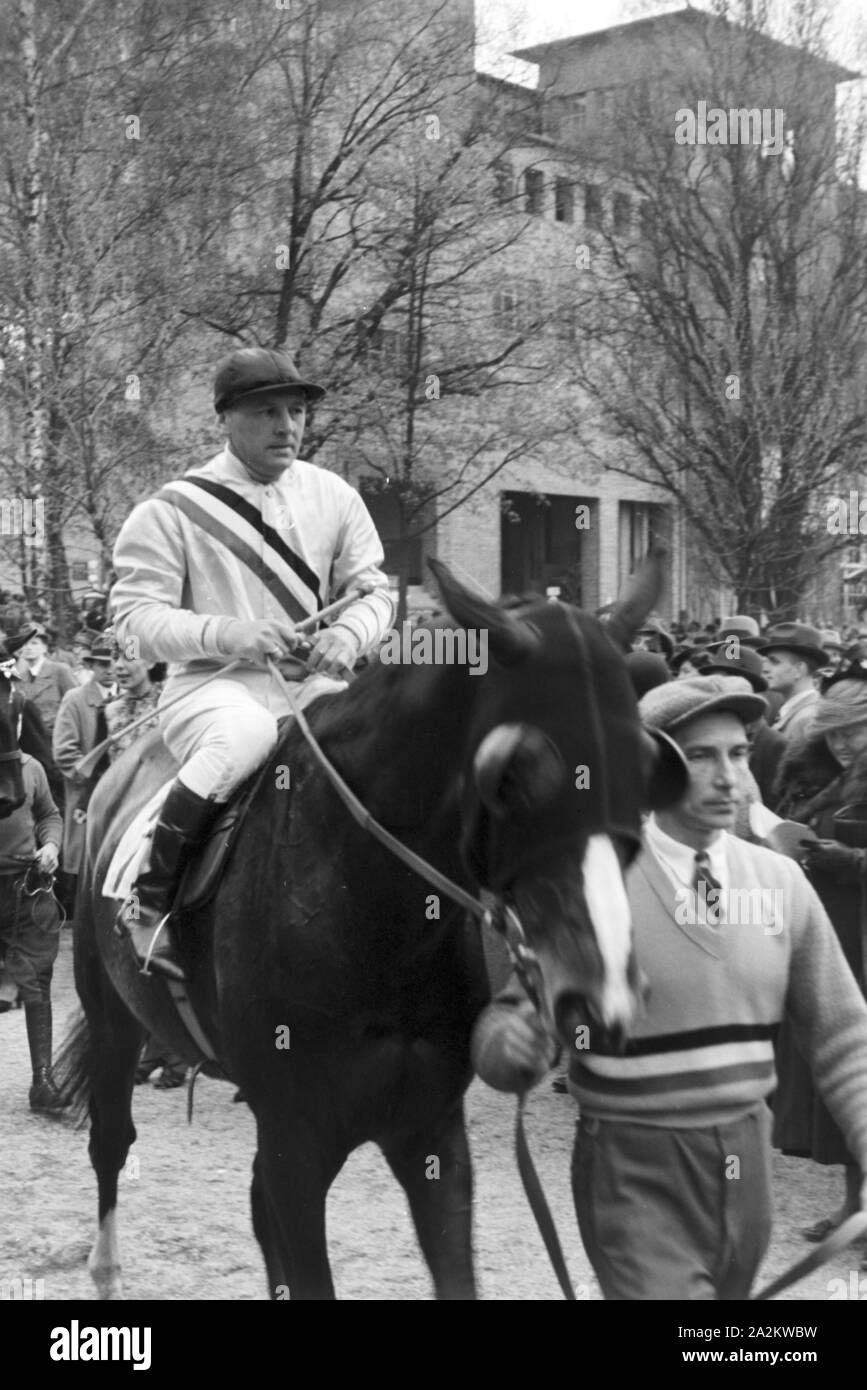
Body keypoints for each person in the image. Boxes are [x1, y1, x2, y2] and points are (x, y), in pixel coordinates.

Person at [471, 675, 867, 1300]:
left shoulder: (781, 881)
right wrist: (513, 1047)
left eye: (738, 752)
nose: (729, 776)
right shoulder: (594, 885)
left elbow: (844, 1032)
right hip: (631, 1164)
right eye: (701, 756)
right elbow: (510, 1024)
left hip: (746, 1162)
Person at [110, 346, 395, 979]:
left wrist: (350, 636)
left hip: (315, 686)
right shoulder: (172, 510)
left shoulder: (335, 495)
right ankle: (148, 902)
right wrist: (230, 632)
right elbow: (135, 623)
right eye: (267, 412)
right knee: (247, 735)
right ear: (227, 419)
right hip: (213, 690)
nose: (287, 426)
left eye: (295, 411)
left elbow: (375, 593)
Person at [772, 672, 867, 1261]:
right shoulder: (823, 779)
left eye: (854, 735)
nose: (844, 746)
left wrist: (848, 859)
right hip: (834, 935)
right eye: (834, 737)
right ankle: (854, 1205)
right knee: (846, 1070)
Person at [0, 748, 67, 1112]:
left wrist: (52, 845)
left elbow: (49, 814)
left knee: (37, 979)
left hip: (25, 888)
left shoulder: (32, 768)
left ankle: (42, 1080)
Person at [52, 635, 118, 897]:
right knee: (87, 862)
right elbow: (64, 751)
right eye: (102, 664)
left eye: (114, 662)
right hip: (87, 791)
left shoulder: (130, 699)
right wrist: (94, 775)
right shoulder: (76, 699)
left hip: (123, 791)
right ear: (91, 666)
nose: (110, 669)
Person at [758, 623, 828, 742]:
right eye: (766, 661)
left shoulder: (807, 719)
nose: (765, 669)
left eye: (774, 662)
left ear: (799, 670)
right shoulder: (800, 710)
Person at [14, 625, 77, 741]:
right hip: (30, 741)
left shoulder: (59, 671)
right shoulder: (19, 679)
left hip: (57, 738)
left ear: (44, 648)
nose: (28, 648)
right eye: (25, 644)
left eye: (34, 643)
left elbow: (76, 705)